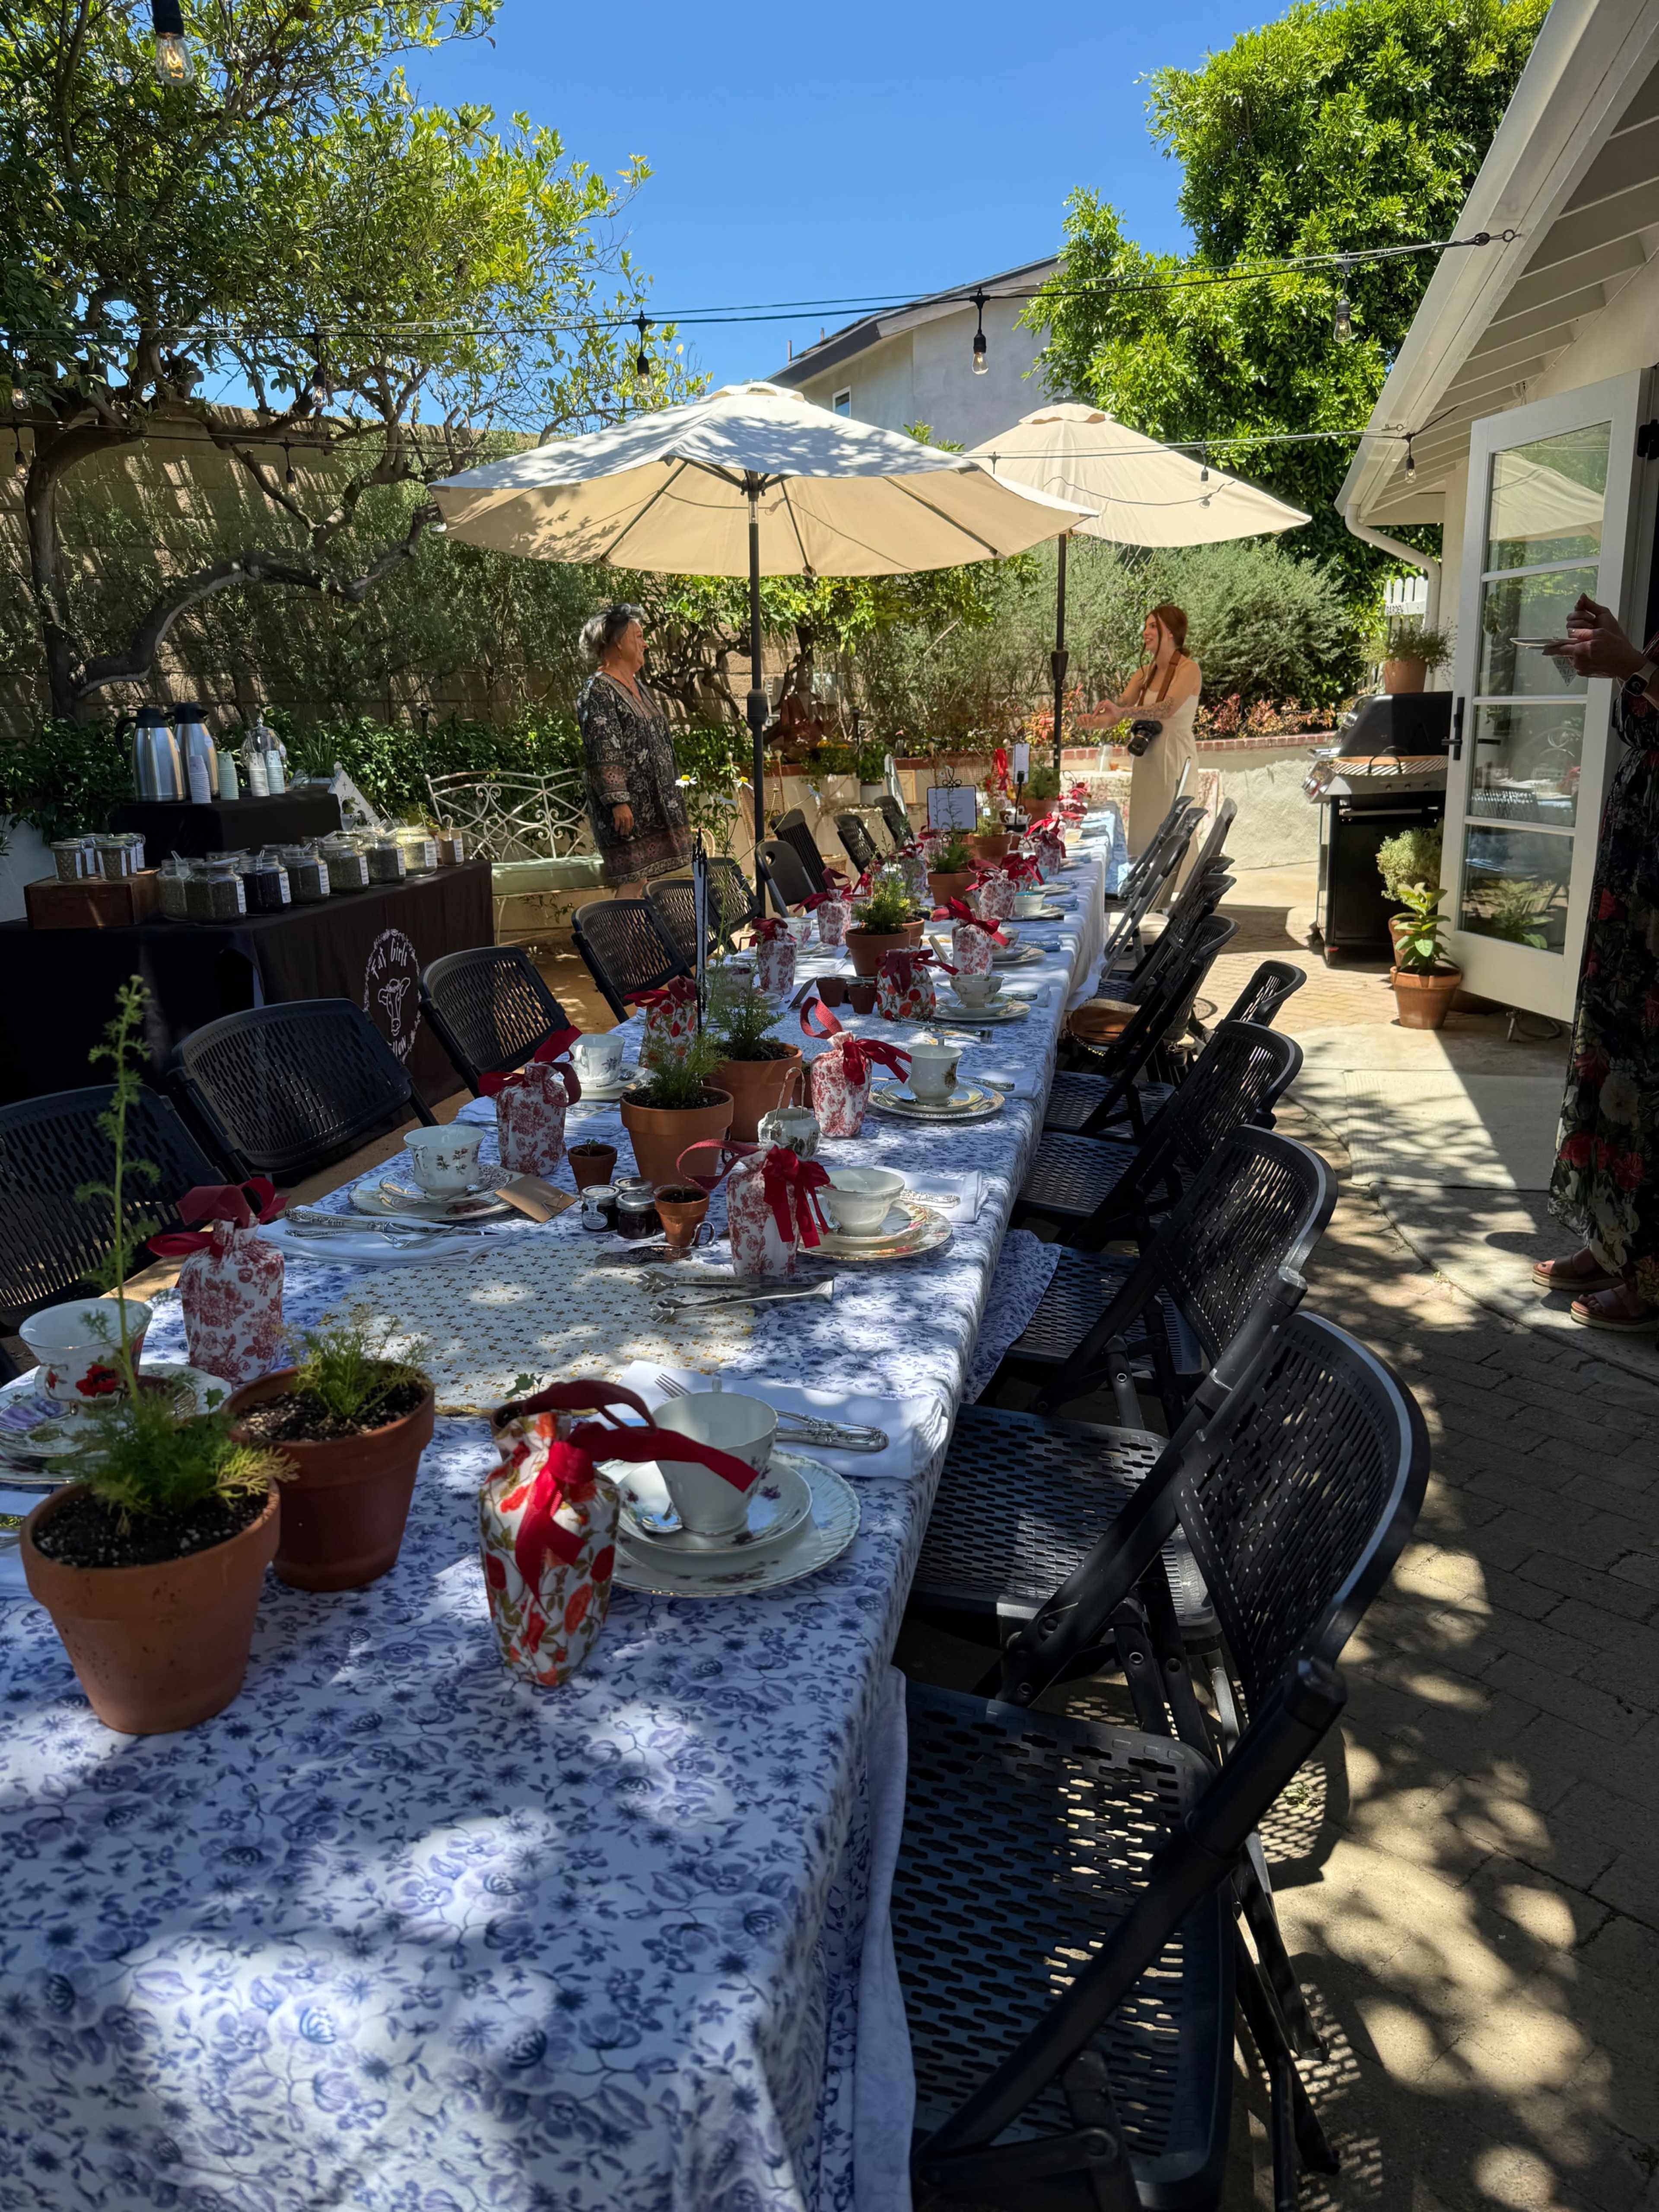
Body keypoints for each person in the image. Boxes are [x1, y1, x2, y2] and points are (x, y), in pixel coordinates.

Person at [1533, 592, 1659, 1331]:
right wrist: (1621, 654)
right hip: (1638, 872)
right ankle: (1616, 1243)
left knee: (1651, 1072)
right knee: (1617, 1058)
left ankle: (1649, 1275)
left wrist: (1634, 667)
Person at [576, 602, 692, 892]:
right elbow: (603, 745)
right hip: (624, 810)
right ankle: (620, 938)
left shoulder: (637, 686)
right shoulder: (599, 689)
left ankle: (639, 938)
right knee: (632, 882)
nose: (646, 643)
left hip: (650, 807)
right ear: (617, 643)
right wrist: (619, 801)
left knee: (642, 882)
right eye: (638, 637)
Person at [1096, 604, 1202, 856]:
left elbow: (1166, 709)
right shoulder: (1143, 673)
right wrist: (1099, 717)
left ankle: (1174, 890)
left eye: (1153, 626)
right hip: (1148, 757)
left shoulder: (1189, 670)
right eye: (1146, 626)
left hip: (1175, 757)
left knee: (1173, 826)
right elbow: (1123, 704)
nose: (1146, 632)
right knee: (1146, 826)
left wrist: (1123, 713)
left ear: (1172, 633)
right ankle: (1145, 892)